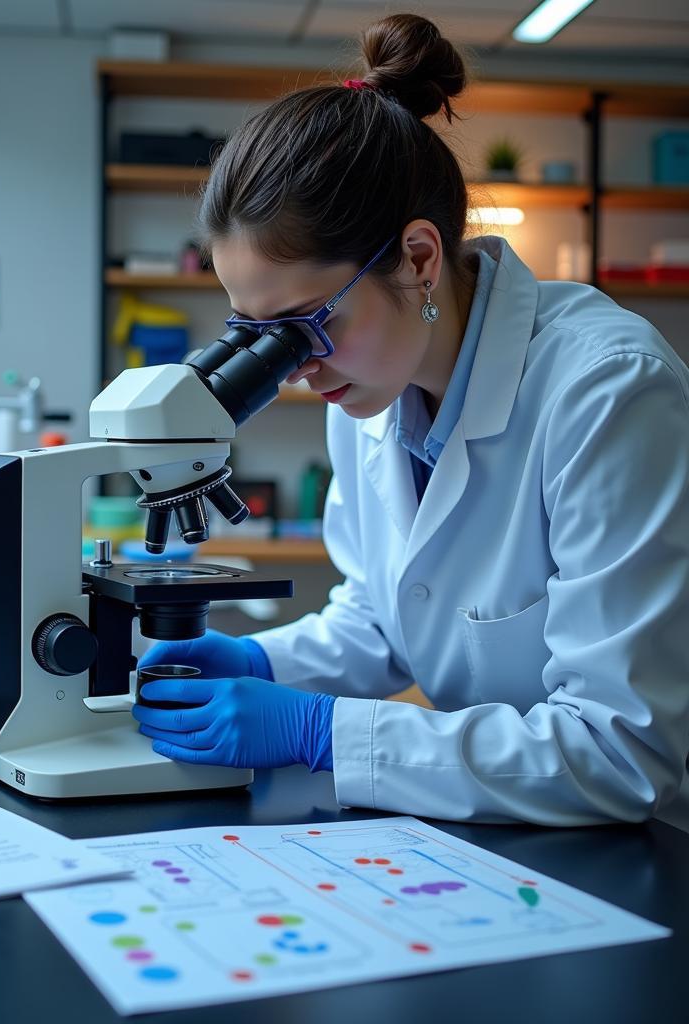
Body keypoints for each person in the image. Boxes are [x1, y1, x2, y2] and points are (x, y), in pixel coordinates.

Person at [132, 13, 689, 829]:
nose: (297, 368)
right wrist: (265, 661)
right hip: (501, 841)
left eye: (302, 327)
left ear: (419, 257)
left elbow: (619, 750)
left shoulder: (607, 393)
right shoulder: (366, 386)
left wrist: (320, 731)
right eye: (256, 338)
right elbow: (385, 618)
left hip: (636, 855)